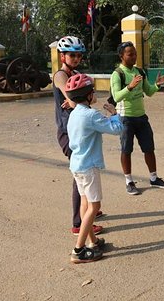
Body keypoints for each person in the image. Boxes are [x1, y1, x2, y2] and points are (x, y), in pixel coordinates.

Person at [65, 74, 122, 263]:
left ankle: (93, 242)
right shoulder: (90, 115)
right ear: (88, 95)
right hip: (88, 167)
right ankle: (78, 250)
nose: (95, 94)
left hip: (77, 165)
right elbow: (116, 129)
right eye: (93, 91)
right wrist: (114, 113)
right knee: (94, 206)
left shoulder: (75, 113)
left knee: (85, 203)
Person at [52, 36, 104, 236]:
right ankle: (78, 222)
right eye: (71, 55)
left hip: (79, 130)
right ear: (62, 55)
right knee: (80, 175)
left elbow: (91, 98)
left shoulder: (75, 74)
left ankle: (90, 211)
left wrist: (79, 99)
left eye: (78, 55)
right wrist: (78, 99)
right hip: (68, 132)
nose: (75, 58)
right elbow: (75, 100)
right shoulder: (60, 76)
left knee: (82, 174)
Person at [110, 41, 164, 195]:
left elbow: (148, 92)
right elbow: (116, 97)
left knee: (149, 148)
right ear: (121, 56)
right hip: (125, 118)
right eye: (130, 54)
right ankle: (129, 181)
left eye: (135, 53)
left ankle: (154, 178)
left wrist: (157, 85)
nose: (134, 56)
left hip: (141, 117)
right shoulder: (118, 74)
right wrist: (129, 86)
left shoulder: (140, 72)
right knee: (126, 150)